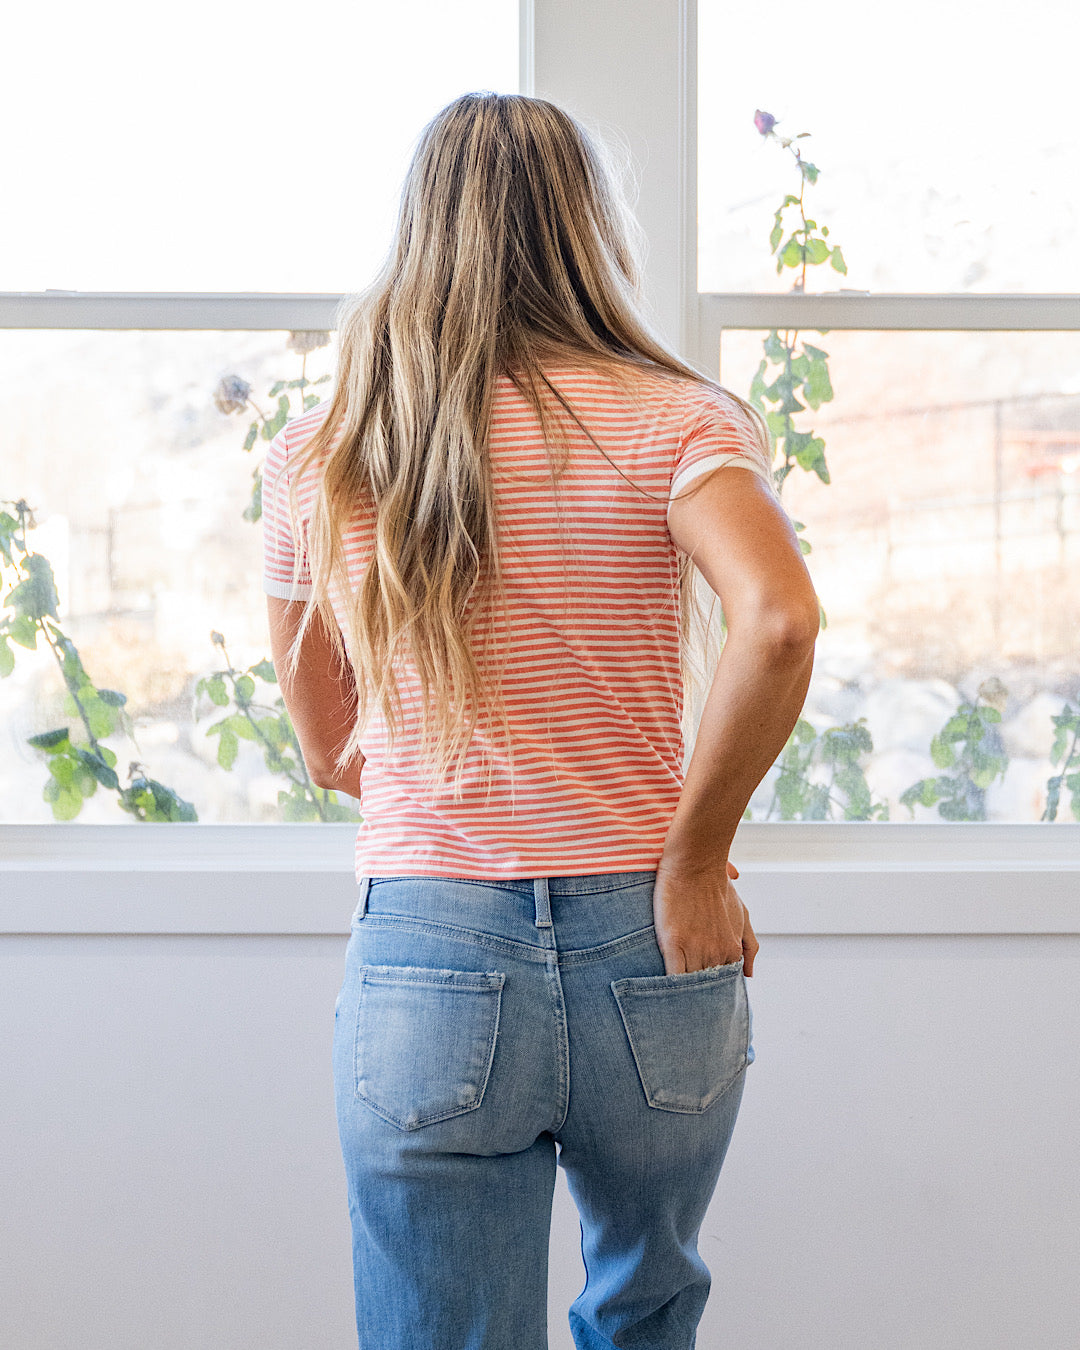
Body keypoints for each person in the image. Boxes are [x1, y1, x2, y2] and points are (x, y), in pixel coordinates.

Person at [262, 91, 819, 1350]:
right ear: (585, 225)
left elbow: (328, 748)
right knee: (645, 1304)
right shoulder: (677, 418)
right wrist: (695, 858)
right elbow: (779, 619)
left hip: (428, 949)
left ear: (421, 226)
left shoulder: (327, 448)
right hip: (651, 937)